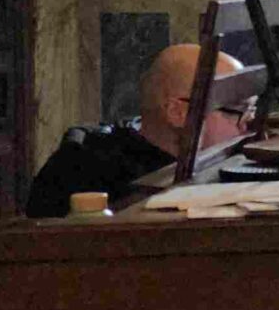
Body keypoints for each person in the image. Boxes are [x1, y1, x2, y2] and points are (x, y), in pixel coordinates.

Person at [25, 43, 246, 216]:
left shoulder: (219, 161)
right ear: (178, 113)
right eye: (237, 110)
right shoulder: (88, 175)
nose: (248, 123)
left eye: (253, 109)